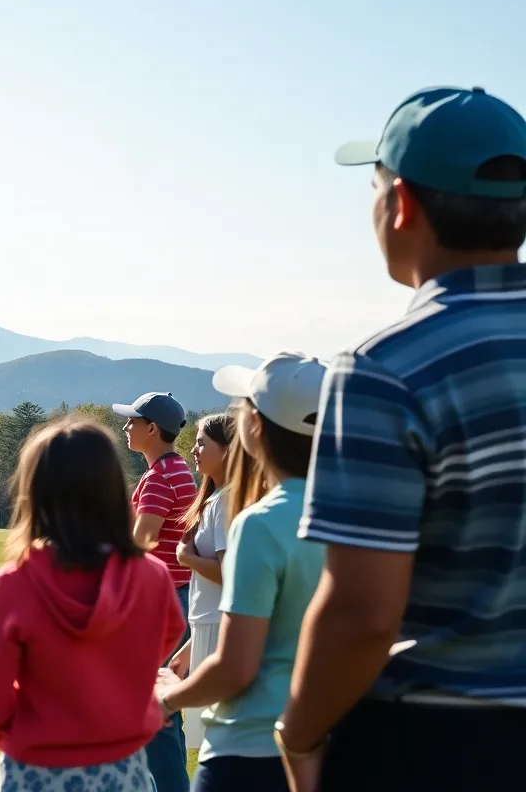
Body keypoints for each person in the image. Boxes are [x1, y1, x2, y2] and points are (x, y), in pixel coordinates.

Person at [277, 86, 526, 792]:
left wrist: (298, 735)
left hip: (439, 744)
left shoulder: (385, 370)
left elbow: (362, 614)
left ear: (403, 203)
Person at [0, 416, 186, 792]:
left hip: (34, 770)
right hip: (123, 769)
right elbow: (166, 636)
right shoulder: (151, 576)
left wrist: (30, 734)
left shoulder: (13, 582)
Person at [155, 352, 326, 792]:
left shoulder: (261, 522)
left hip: (249, 748)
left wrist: (164, 700)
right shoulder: (354, 515)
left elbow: (236, 669)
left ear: (256, 428)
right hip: (329, 740)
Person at [112, 391, 195, 792]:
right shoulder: (173, 470)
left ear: (151, 428)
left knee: (154, 711)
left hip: (162, 604)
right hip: (176, 600)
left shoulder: (162, 476)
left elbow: (142, 540)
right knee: (164, 712)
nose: (126, 427)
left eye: (132, 421)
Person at [168, 412, 236, 752]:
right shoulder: (215, 497)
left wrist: (186, 558)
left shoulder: (226, 501)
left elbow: (230, 575)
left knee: (216, 745)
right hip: (208, 631)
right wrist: (190, 646)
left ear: (227, 450)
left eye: (201, 443)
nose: (193, 450)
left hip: (221, 633)